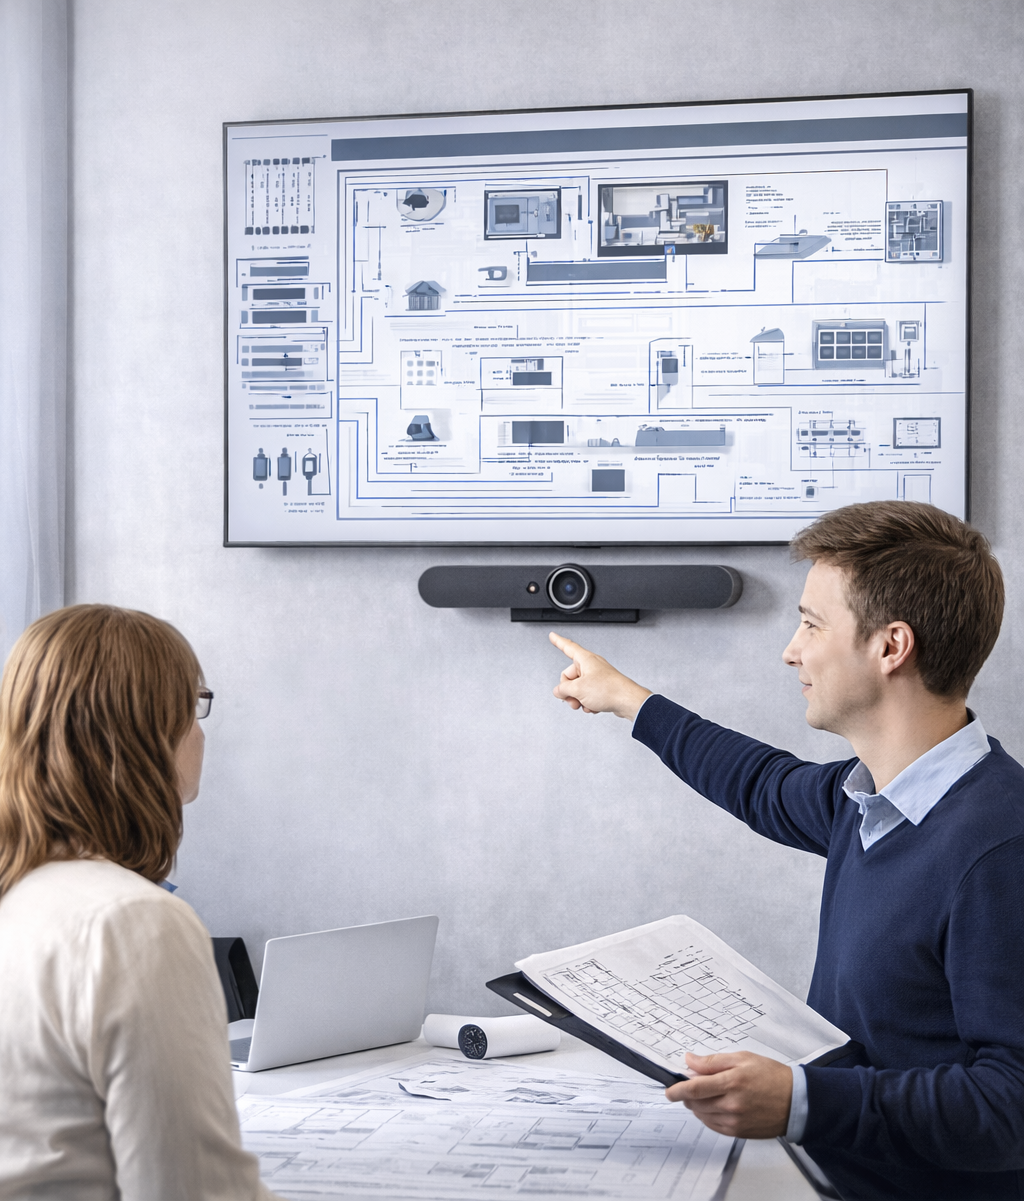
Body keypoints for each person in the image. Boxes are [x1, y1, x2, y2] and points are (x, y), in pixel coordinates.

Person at [550, 501, 1024, 1201]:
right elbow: (760, 783)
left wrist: (804, 1100)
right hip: (827, 1176)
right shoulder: (865, 801)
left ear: (891, 646)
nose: (790, 649)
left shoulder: (998, 847)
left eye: (810, 622)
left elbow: (1010, 1105)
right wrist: (626, 699)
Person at [0, 604, 279, 1201]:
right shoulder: (133, 922)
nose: (202, 732)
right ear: (148, 732)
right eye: (194, 704)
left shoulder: (21, 894)